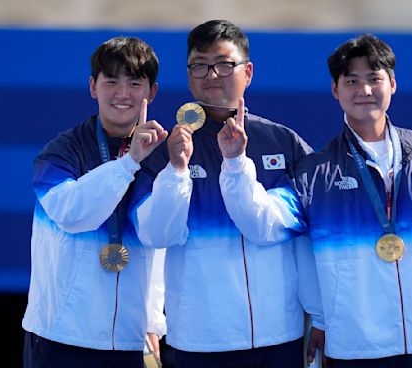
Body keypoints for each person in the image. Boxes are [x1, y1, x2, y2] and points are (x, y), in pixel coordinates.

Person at [219, 33, 412, 368]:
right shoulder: (315, 173)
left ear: (393, 84)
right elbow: (261, 225)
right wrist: (236, 162)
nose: (364, 90)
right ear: (335, 90)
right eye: (352, 80)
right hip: (358, 346)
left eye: (374, 79)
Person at [130, 19, 325, 368]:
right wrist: (176, 171)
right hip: (199, 339)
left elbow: (299, 237)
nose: (212, 75)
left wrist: (321, 316)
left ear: (247, 72)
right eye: (200, 66)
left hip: (278, 335)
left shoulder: (284, 143)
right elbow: (154, 235)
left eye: (224, 64)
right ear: (189, 75)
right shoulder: (165, 150)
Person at [22, 36, 169, 368]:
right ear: (93, 87)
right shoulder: (61, 152)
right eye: (111, 81)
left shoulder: (160, 156)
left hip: (131, 340)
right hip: (61, 335)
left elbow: (158, 245)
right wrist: (129, 163)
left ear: (152, 92)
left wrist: (152, 322)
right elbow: (71, 214)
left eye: (135, 82)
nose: (122, 93)